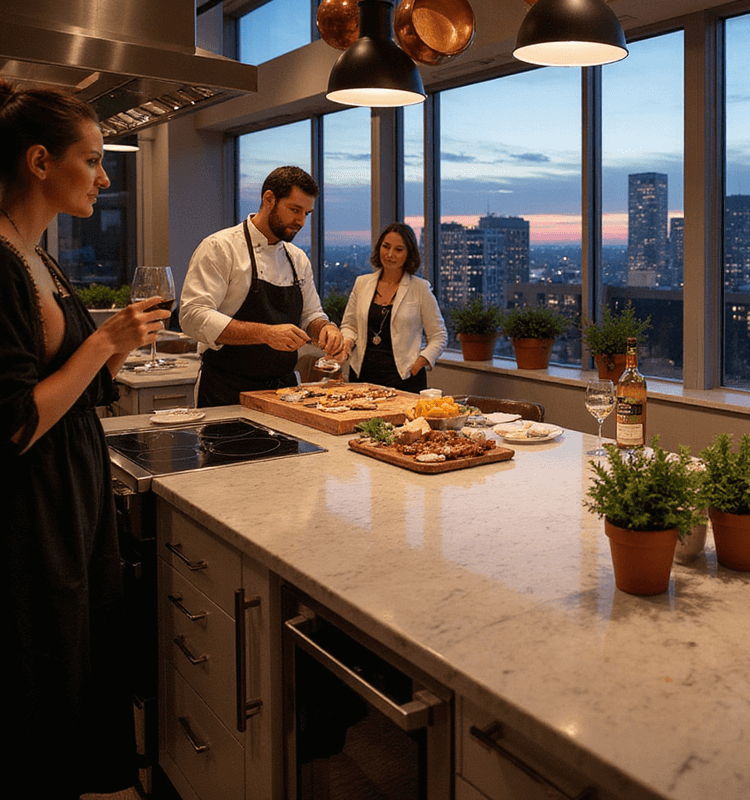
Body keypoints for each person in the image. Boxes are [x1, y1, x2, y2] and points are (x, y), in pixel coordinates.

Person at [0, 80, 171, 798]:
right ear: (41, 161)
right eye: (94, 159)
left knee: (77, 666)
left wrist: (117, 345)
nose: (105, 177)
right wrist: (102, 343)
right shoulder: (2, 268)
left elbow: (76, 388)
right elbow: (14, 423)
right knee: (38, 682)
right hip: (30, 516)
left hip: (71, 499)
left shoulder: (38, 256)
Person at [180, 166, 344, 406]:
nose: (300, 221)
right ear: (269, 199)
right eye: (294, 210)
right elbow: (193, 316)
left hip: (285, 394)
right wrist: (265, 333)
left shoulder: (297, 258)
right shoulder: (220, 247)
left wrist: (325, 329)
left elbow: (311, 315)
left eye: (306, 213)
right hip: (226, 391)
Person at [338, 222, 447, 392]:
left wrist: (419, 363)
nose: (390, 254)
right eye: (386, 246)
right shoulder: (362, 283)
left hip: (404, 379)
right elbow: (349, 325)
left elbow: (439, 335)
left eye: (399, 249)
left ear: (408, 253)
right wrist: (347, 341)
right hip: (362, 376)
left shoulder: (420, 288)